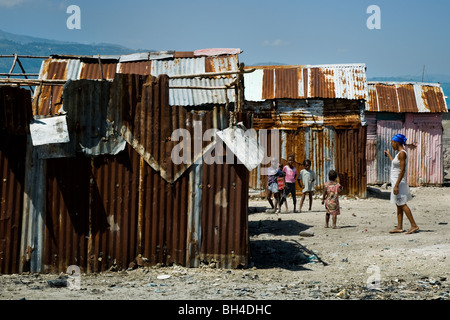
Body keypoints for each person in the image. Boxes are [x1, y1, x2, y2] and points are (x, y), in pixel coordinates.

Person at [384, 134, 419, 234]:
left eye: (392, 143)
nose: (392, 145)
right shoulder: (399, 153)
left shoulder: (402, 153)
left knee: (402, 203)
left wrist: (396, 185)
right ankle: (399, 227)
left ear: (397, 142)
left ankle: (414, 225)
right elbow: (396, 165)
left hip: (398, 182)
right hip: (396, 181)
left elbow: (402, 170)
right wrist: (389, 155)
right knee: (398, 204)